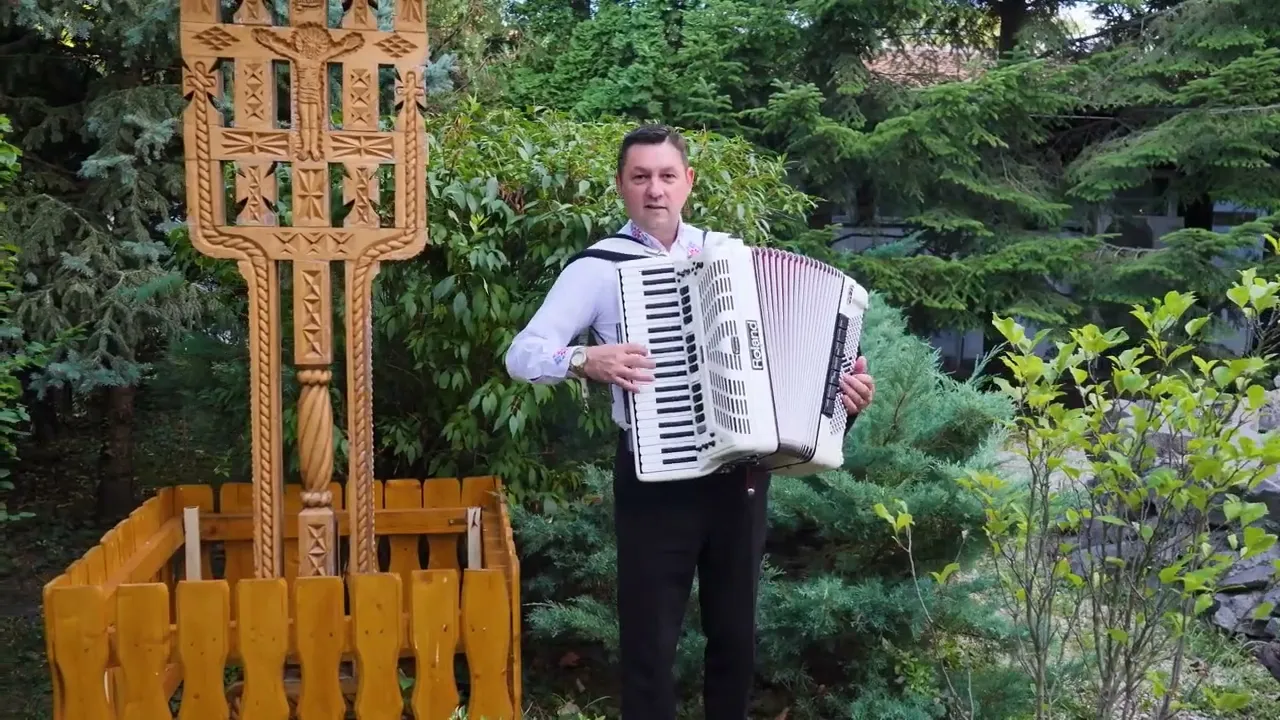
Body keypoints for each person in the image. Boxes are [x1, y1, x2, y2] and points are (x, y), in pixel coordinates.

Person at [504, 124, 876, 720]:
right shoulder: (598, 269)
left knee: (735, 638)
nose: (655, 189)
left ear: (688, 183)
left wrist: (843, 394)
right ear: (621, 185)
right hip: (655, 480)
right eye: (640, 177)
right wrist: (582, 359)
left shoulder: (731, 256)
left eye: (666, 176)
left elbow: (787, 358)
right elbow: (522, 355)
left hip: (741, 475)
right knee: (650, 644)